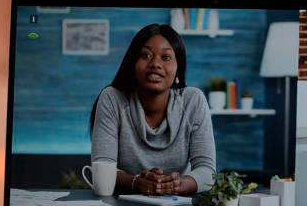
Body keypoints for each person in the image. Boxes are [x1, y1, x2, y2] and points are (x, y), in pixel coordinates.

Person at [89, 24, 216, 197]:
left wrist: (176, 186)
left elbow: (207, 171)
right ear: (133, 63)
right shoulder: (112, 98)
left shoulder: (193, 100)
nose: (155, 63)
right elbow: (103, 167)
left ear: (178, 67)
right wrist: (136, 183)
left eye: (166, 57)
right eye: (145, 55)